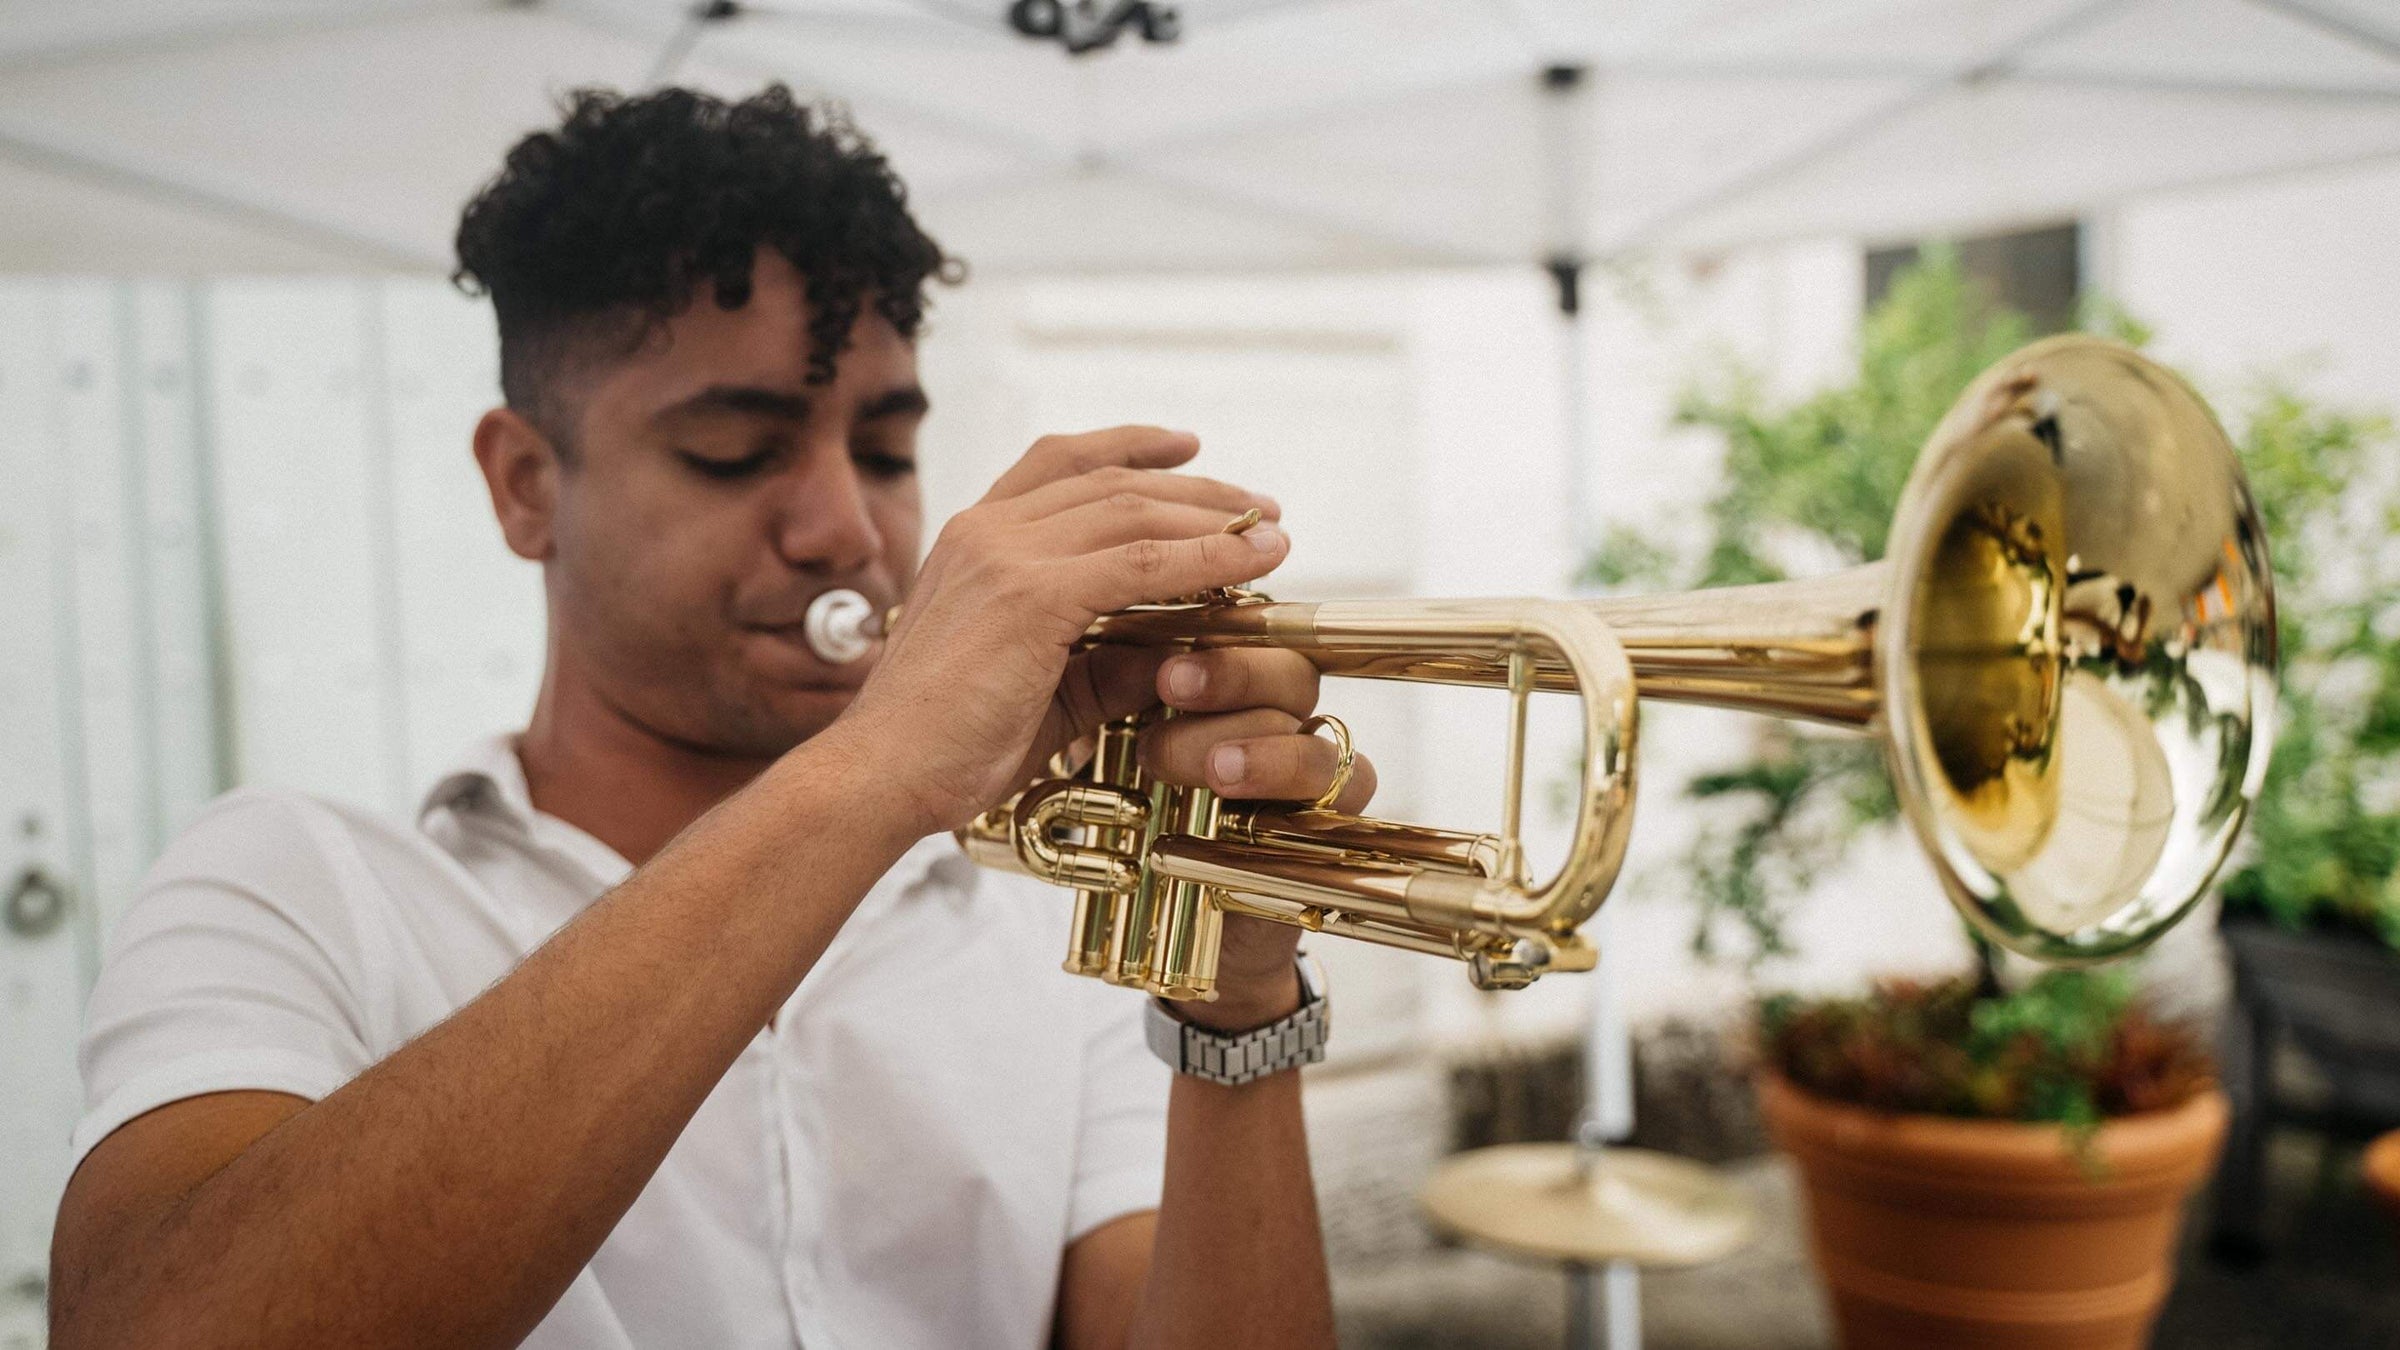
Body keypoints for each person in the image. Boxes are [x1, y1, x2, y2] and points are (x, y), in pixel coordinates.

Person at [48, 85, 1369, 1350]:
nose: (849, 528)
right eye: (736, 451)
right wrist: (872, 770)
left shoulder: (1040, 919)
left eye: (890, 452)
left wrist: (1238, 1008)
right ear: (524, 485)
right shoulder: (295, 890)